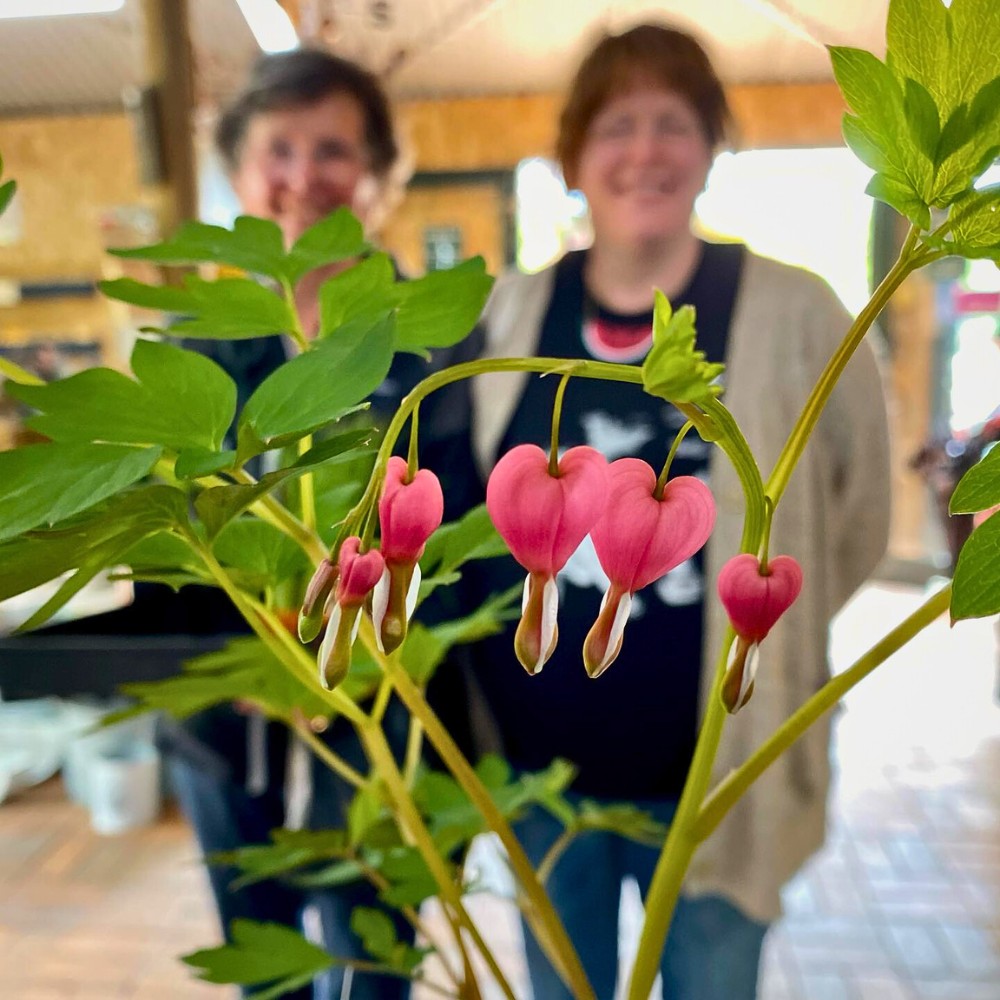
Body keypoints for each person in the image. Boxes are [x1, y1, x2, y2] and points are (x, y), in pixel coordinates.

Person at [459, 24, 891, 999]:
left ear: (710, 147)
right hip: (541, 774)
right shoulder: (509, 313)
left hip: (719, 776)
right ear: (573, 155)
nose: (644, 151)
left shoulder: (797, 309)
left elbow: (859, 510)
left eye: (673, 123)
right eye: (616, 126)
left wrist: (765, 625)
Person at [158, 48, 473, 1000]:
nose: (303, 177)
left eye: (333, 150)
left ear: (379, 180)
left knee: (376, 952)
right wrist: (257, 658)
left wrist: (374, 648)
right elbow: (170, 539)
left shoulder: (434, 335)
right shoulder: (201, 340)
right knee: (265, 957)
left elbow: (462, 528)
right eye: (277, 150)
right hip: (230, 715)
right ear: (240, 176)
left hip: (389, 708)